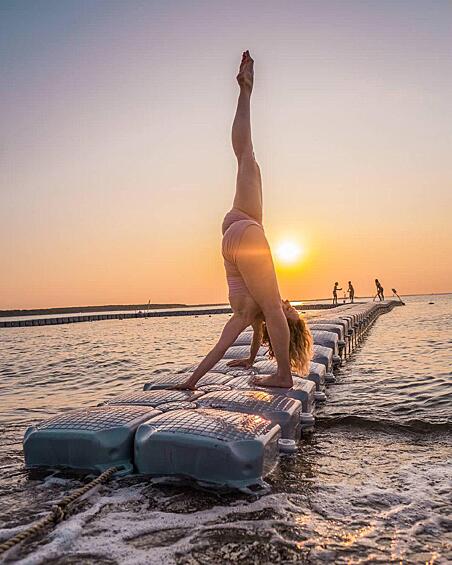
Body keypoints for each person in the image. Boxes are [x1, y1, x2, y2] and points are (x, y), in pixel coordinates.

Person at [175, 51, 312, 390]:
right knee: (247, 158)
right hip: (238, 236)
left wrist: (191, 382)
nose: (288, 304)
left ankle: (283, 376)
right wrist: (194, 380)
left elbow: (240, 336)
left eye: (291, 311)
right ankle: (245, 91)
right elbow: (225, 346)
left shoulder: (260, 312)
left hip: (244, 231)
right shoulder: (249, 316)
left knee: (246, 155)